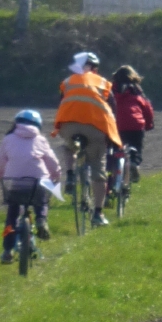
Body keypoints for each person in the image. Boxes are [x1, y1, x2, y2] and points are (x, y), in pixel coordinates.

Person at [52, 54, 123, 227]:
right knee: (98, 166)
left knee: (69, 147)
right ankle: (98, 214)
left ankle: (69, 176)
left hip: (68, 125)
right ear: (95, 68)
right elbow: (112, 109)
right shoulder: (103, 83)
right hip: (94, 127)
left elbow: (62, 102)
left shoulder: (68, 81)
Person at [0, 109, 61, 264]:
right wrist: (56, 175)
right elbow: (51, 160)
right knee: (41, 200)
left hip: (16, 183)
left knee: (11, 217)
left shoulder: (8, 139)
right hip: (38, 181)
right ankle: (41, 219)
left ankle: (7, 251)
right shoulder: (41, 139)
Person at [111, 65, 154, 180]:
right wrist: (149, 124)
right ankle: (134, 162)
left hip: (116, 125)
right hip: (136, 125)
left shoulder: (111, 92)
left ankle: (113, 170)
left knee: (114, 149)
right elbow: (147, 109)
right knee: (136, 146)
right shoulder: (137, 92)